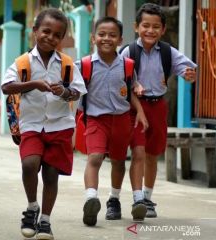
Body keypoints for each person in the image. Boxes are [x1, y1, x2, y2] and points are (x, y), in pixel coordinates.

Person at [1, 8, 87, 240]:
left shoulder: (67, 64)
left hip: (60, 126)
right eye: (46, 31)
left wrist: (65, 91)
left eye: (57, 35)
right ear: (35, 31)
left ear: (62, 39)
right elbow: (6, 87)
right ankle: (32, 207)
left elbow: (78, 92)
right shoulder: (22, 62)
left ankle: (46, 221)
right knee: (29, 164)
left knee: (51, 174)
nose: (50, 37)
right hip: (31, 124)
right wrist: (33, 84)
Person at [119, 3, 197, 219]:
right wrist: (132, 85)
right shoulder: (128, 51)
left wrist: (189, 75)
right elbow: (117, 77)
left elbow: (187, 69)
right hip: (135, 108)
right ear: (136, 27)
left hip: (158, 107)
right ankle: (136, 199)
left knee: (152, 155)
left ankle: (147, 197)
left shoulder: (168, 52)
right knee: (139, 152)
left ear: (162, 30)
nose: (150, 31)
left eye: (155, 27)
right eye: (145, 25)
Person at [78, 17, 148, 226]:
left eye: (112, 35)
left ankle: (114, 199)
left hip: (121, 119)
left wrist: (141, 111)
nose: (106, 38)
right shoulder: (84, 65)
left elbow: (130, 90)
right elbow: (70, 87)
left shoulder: (127, 66)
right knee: (96, 157)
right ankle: (91, 198)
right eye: (101, 34)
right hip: (96, 120)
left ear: (120, 40)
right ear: (93, 38)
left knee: (118, 161)